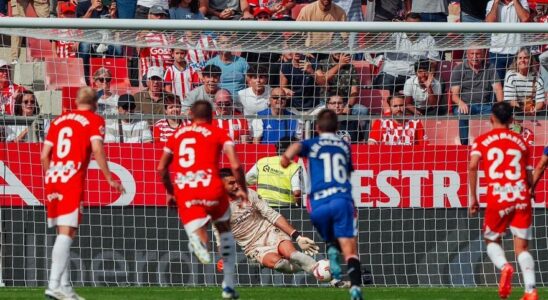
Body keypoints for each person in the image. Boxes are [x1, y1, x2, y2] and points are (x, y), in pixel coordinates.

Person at [157, 100, 248, 299]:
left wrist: (170, 191)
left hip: (185, 190)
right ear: (212, 115)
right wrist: (242, 189)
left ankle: (197, 241)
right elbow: (235, 165)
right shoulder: (218, 133)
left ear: (190, 114)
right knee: (225, 230)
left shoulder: (176, 135)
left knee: (200, 233)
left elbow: (161, 168)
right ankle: (228, 285)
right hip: (211, 187)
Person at [41, 87, 125, 300]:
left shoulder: (58, 120)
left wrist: (53, 175)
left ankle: (65, 288)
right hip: (71, 178)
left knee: (64, 232)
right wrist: (109, 178)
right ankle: (53, 286)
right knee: (67, 233)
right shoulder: (94, 120)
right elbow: (97, 149)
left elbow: (44, 155)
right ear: (95, 103)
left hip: (53, 177)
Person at [281, 109, 364, 300]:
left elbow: (290, 152)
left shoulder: (311, 143)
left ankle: (333, 260)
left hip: (318, 204)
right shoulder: (344, 146)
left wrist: (285, 160)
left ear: (317, 128)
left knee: (330, 239)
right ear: (337, 128)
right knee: (350, 248)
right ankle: (356, 289)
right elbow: (347, 172)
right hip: (342, 200)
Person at [216, 168, 338, 284]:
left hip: (269, 231)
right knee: (281, 265)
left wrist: (298, 237)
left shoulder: (248, 194)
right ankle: (315, 269)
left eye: (237, 181)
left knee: (292, 254)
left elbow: (272, 215)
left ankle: (327, 275)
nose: (237, 185)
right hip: (252, 246)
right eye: (231, 183)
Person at [468, 101, 537, 300]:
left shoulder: (482, 140)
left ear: (491, 118)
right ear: (512, 120)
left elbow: (473, 166)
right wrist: (531, 190)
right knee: (522, 248)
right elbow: (527, 172)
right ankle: (530, 290)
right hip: (521, 194)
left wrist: (473, 198)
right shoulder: (521, 141)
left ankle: (504, 267)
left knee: (491, 240)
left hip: (498, 195)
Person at [450, 48, 503, 145]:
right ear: (467, 54)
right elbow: (454, 96)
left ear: (483, 55)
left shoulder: (490, 67)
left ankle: (496, 143)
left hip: (485, 106)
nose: (474, 57)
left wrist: (501, 107)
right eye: (472, 53)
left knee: (500, 114)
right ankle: (464, 145)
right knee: (461, 112)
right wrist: (461, 103)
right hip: (466, 105)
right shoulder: (459, 69)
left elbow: (498, 89)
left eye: (478, 54)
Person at [246, 136, 302, 207]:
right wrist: (299, 208)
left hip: (263, 207)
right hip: (285, 209)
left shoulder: (263, 162)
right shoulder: (294, 167)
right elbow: (296, 193)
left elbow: (246, 181)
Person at [486, 0, 530, 81]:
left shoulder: (522, 1)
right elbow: (489, 22)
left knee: (518, 85)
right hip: (497, 53)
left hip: (517, 53)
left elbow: (525, 18)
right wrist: (495, 3)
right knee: (497, 87)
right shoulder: (491, 3)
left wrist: (515, 1)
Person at [503, 47, 545, 115]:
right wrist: (523, 111)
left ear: (530, 60)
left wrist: (534, 110)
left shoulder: (538, 77)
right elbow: (510, 100)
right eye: (520, 58)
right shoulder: (510, 75)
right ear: (516, 61)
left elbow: (540, 101)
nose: (522, 60)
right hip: (515, 110)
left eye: (525, 58)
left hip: (533, 111)